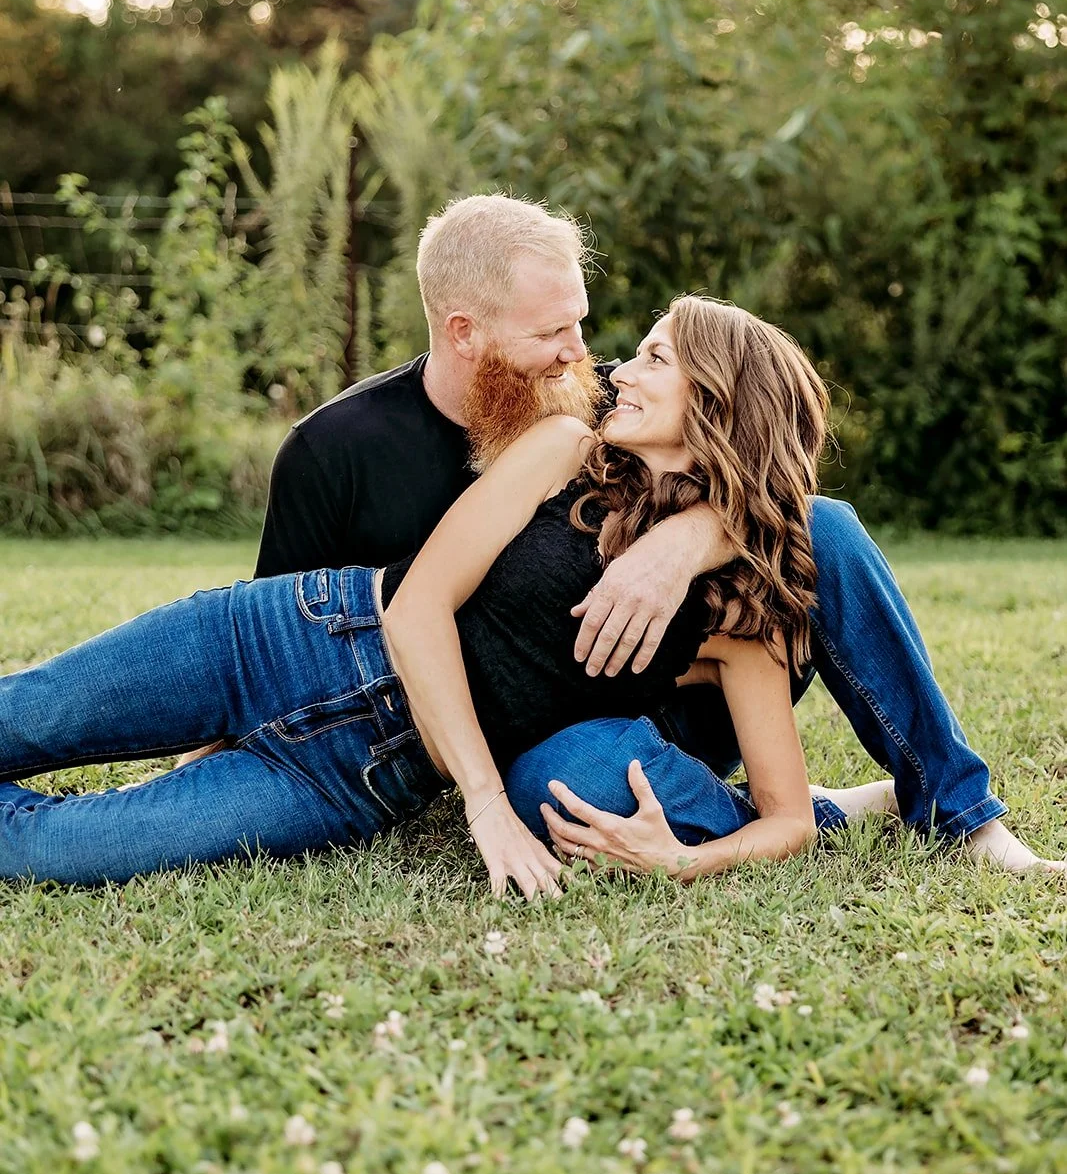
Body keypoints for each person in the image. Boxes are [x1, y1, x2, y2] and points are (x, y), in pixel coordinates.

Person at [241, 193, 1052, 875]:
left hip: (696, 687)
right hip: (554, 724)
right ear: (465, 331)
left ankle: (964, 816)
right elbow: (278, 652)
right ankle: (815, 813)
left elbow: (750, 463)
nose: (584, 360)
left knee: (821, 525)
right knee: (558, 782)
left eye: (584, 329)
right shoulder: (334, 452)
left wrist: (688, 540)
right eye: (552, 334)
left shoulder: (598, 406)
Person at [1, 296, 852, 894]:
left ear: (716, 398)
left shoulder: (741, 615)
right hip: (286, 639)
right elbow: (417, 607)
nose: (618, 368)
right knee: (20, 717)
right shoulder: (562, 450)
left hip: (350, 777)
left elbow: (787, 821)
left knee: (53, 849)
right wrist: (486, 808)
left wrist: (685, 863)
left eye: (654, 357)